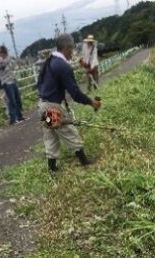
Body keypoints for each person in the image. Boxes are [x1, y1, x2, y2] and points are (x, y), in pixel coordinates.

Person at [37, 33, 101, 173]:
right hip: (52, 107)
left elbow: (39, 84)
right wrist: (91, 103)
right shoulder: (62, 66)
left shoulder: (50, 61)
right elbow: (75, 94)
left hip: (43, 104)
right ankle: (85, 162)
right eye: (71, 48)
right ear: (66, 47)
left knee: (51, 137)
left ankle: (52, 169)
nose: (72, 51)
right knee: (70, 133)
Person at [0, 45, 25, 125]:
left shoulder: (7, 59)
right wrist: (10, 58)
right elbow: (5, 62)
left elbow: (12, 65)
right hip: (6, 83)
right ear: (1, 53)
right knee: (11, 101)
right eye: (3, 52)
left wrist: (12, 60)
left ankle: (19, 116)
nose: (5, 54)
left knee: (17, 99)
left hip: (12, 81)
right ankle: (13, 119)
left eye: (5, 52)